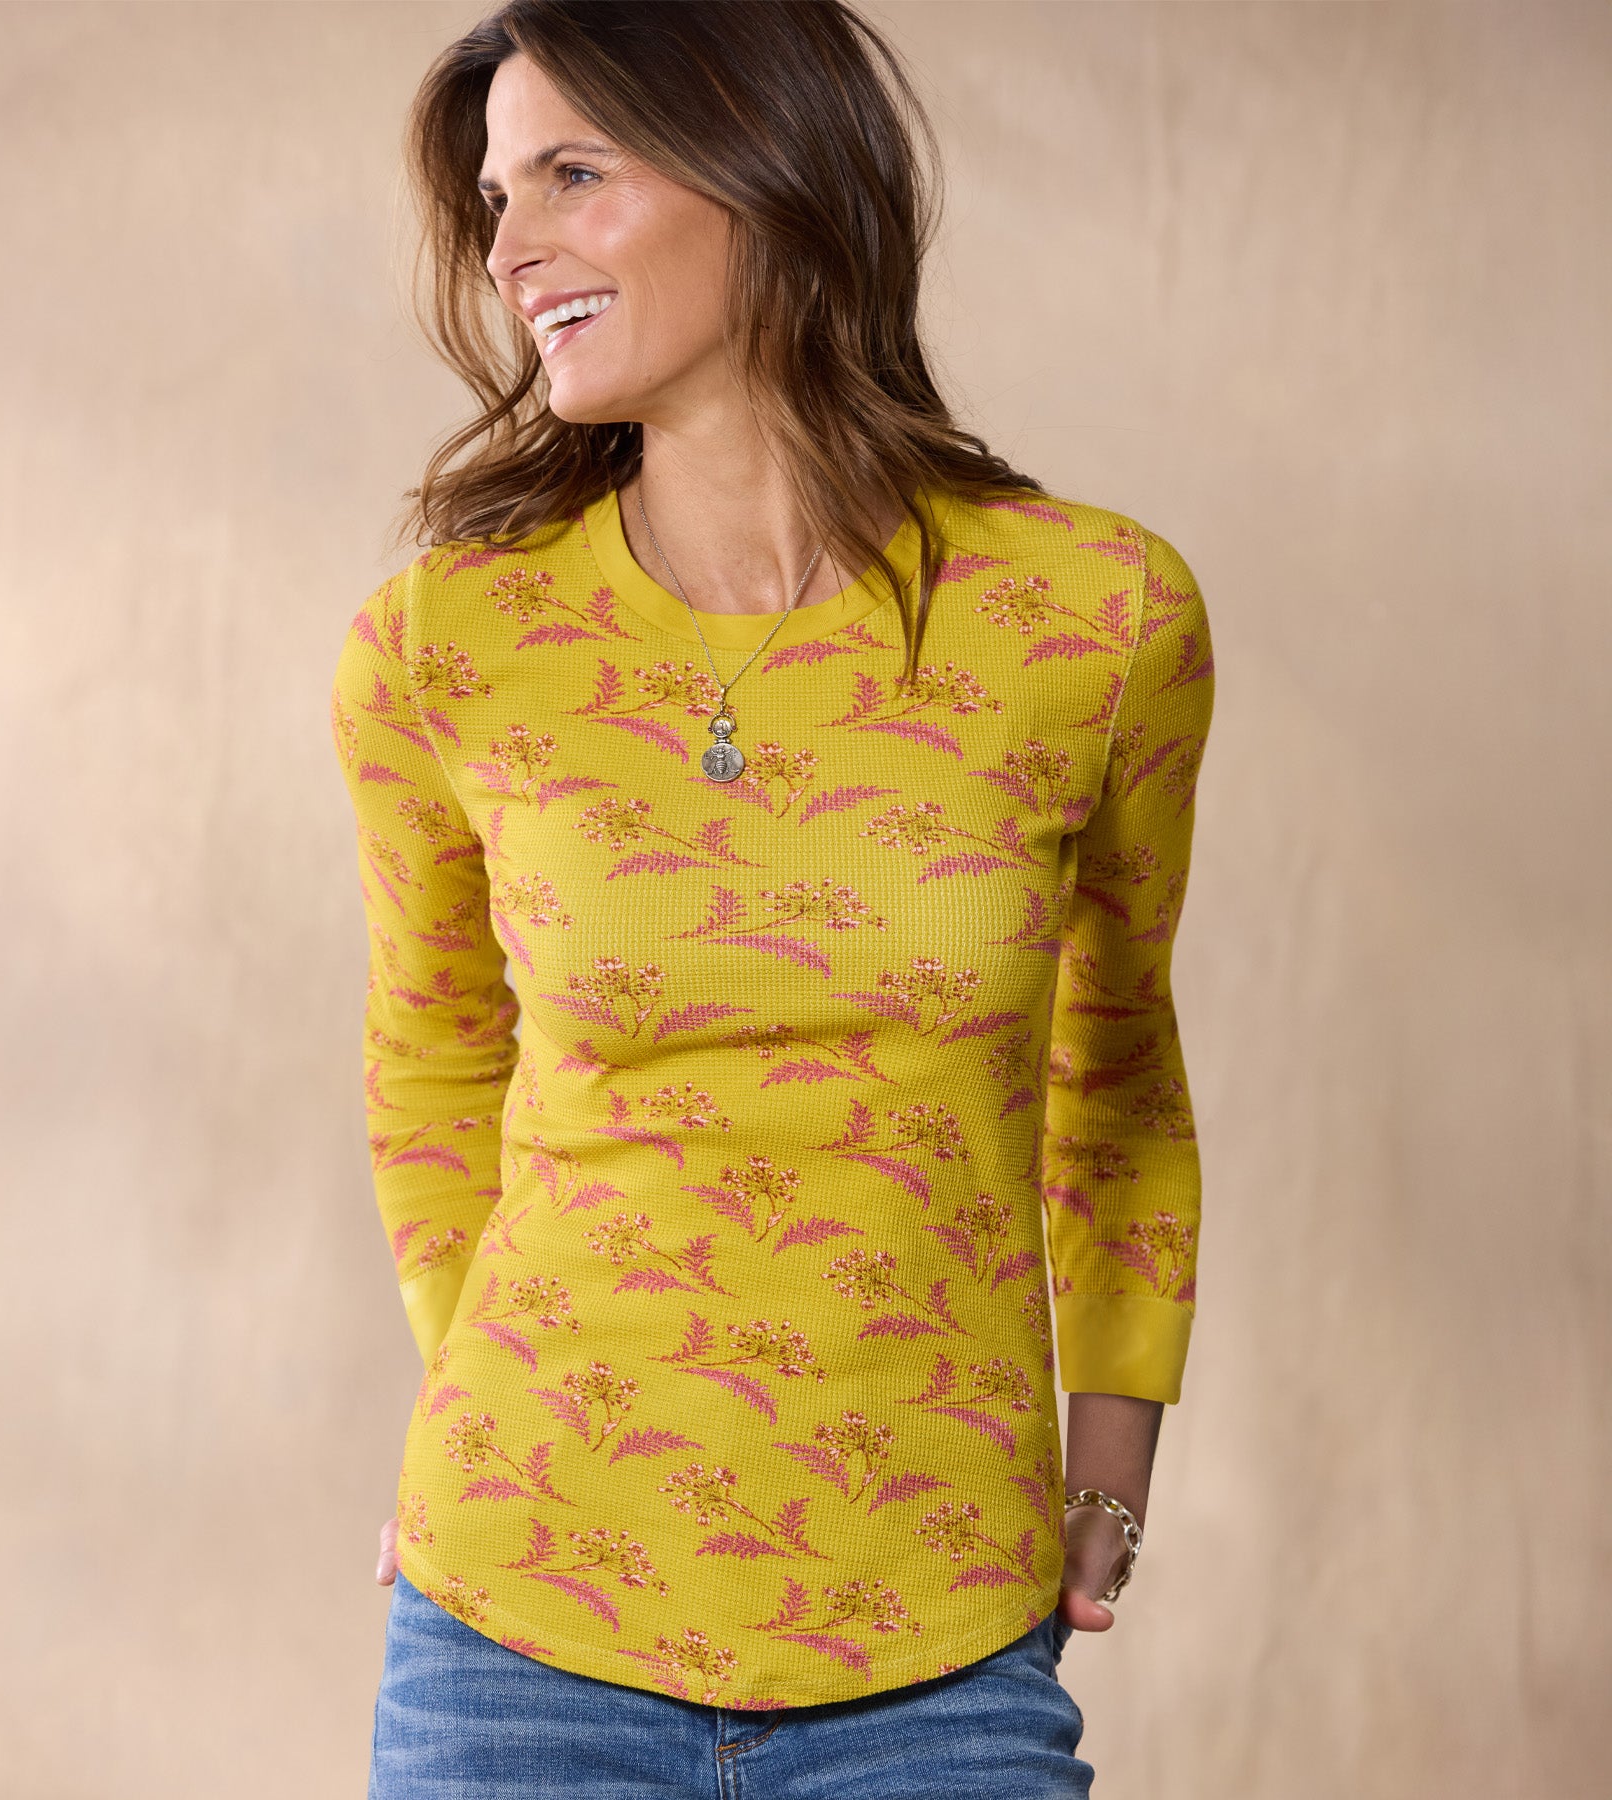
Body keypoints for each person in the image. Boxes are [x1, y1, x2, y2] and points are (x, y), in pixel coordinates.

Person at [330, 3, 1216, 1793]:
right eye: (496, 199)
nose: (508, 250)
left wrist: (1109, 1469)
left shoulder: (1095, 618)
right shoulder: (444, 646)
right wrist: (474, 1407)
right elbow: (433, 1069)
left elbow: (1116, 1075)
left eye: (573, 174)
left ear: (768, 170)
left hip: (941, 1627)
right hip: (519, 1622)